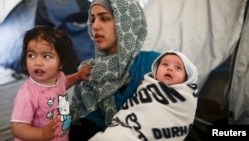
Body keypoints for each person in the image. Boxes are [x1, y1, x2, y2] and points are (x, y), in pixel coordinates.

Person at [69, 0, 161, 140]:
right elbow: (88, 128)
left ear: (127, 23)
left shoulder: (155, 64)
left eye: (104, 18)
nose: (95, 26)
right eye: (92, 20)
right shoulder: (88, 72)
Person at [89, 50, 198, 141]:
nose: (170, 68)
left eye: (178, 68)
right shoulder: (146, 85)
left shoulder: (186, 96)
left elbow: (180, 118)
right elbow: (135, 108)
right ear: (155, 71)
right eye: (165, 64)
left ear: (187, 78)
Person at [10, 25, 91, 141]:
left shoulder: (59, 77)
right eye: (31, 55)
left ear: (61, 62)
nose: (37, 62)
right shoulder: (27, 94)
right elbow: (17, 127)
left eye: (46, 56)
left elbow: (64, 83)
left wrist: (78, 76)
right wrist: (41, 133)